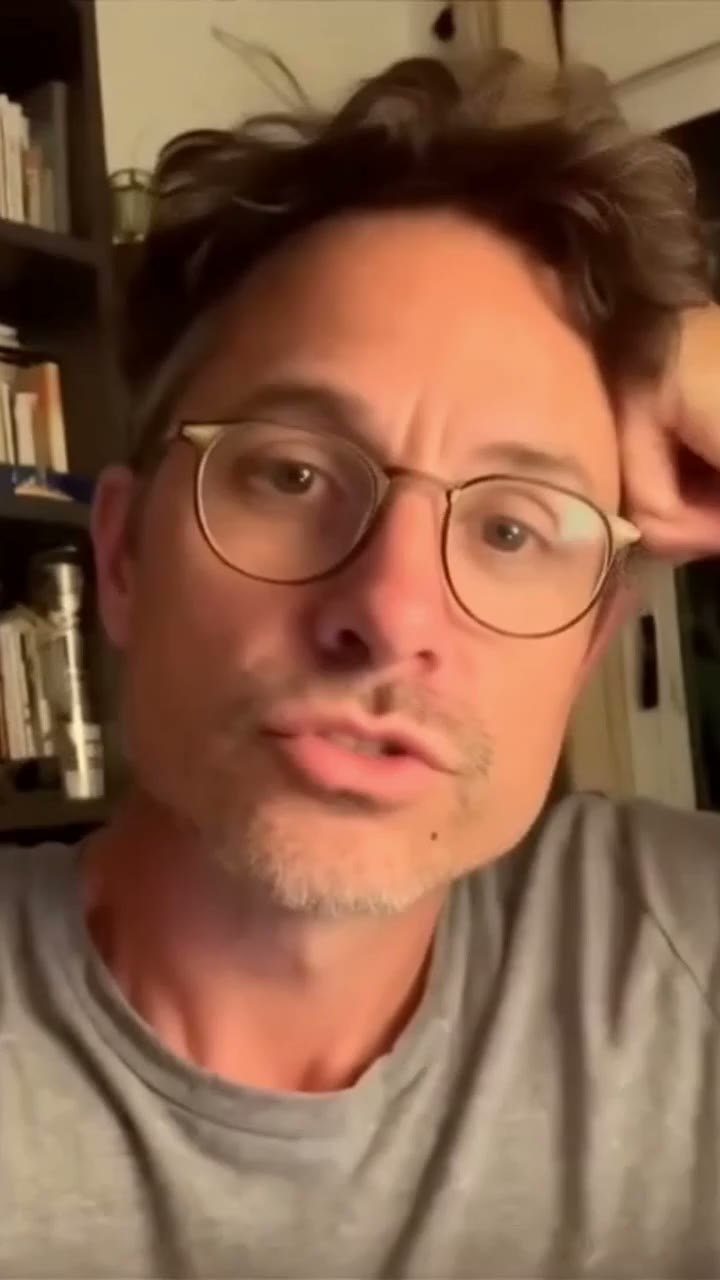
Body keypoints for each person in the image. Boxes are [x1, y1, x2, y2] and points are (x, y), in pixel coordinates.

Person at [3, 50, 720, 1279]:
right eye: (291, 474)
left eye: (511, 529)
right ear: (122, 558)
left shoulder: (683, 950)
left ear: (592, 643)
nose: (391, 611)